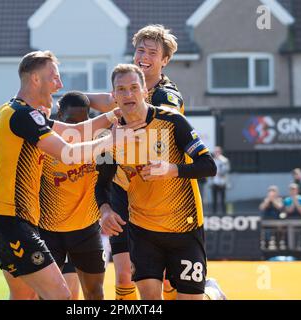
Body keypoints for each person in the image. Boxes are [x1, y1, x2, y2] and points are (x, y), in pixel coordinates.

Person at [0, 51, 144, 300]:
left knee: (25, 296)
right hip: (10, 220)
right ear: (35, 79)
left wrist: (113, 115)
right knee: (60, 296)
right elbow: (68, 153)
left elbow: (75, 130)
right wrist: (112, 140)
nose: (60, 84)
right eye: (54, 77)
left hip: (11, 221)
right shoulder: (21, 115)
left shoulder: (21, 113)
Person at [96, 64, 217, 300]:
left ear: (144, 91)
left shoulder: (173, 122)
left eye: (133, 88)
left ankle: (212, 294)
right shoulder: (110, 136)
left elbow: (209, 166)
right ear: (113, 96)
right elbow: (102, 183)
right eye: (121, 89)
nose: (128, 95)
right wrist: (105, 209)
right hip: (143, 231)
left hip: (184, 227)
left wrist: (171, 170)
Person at [91, 24, 185, 300]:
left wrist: (119, 131)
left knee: (165, 280)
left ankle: (208, 293)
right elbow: (109, 101)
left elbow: (162, 123)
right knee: (123, 274)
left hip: (160, 193)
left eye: (152, 53)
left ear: (164, 61)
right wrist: (78, 100)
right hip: (123, 188)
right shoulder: (128, 87)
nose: (143, 56)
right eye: (140, 50)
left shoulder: (167, 96)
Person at [38, 91, 106, 300]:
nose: (76, 128)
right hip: (49, 230)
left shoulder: (99, 142)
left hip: (86, 228)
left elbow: (121, 105)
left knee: (94, 293)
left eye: (83, 122)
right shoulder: (43, 143)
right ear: (59, 118)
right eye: (71, 122)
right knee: (48, 295)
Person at [210, 146, 230, 215]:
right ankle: (213, 214)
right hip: (214, 182)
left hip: (222, 182)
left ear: (220, 152)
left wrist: (220, 173)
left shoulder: (224, 160)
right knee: (214, 200)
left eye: (218, 151)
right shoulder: (212, 160)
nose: (216, 153)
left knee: (223, 200)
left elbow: (226, 170)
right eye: (215, 152)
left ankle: (224, 214)